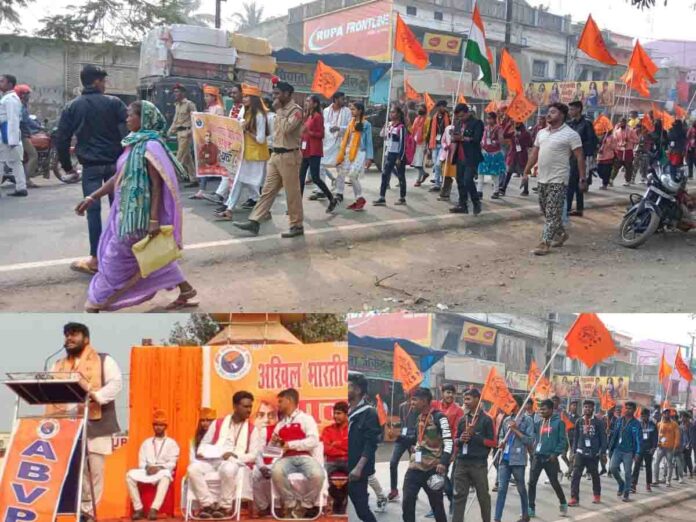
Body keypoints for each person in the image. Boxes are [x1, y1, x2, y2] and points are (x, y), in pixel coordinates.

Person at [74, 101, 196, 312]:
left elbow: (157, 186)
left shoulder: (150, 147)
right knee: (152, 256)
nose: (127, 119)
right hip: (125, 212)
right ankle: (186, 290)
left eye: (131, 115)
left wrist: (153, 221)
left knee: (115, 257)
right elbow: (118, 177)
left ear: (144, 119)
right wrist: (92, 197)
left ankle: (97, 300)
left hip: (139, 217)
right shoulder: (134, 144)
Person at [47, 323, 123, 522]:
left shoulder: (104, 360)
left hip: (96, 423)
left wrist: (96, 396)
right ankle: (76, 509)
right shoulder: (57, 364)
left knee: (94, 472)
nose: (68, 339)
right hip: (67, 425)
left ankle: (88, 511)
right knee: (74, 470)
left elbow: (116, 383)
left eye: (74, 335)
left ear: (86, 339)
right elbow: (49, 389)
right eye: (66, 335)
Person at [57, 65, 127, 274]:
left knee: (93, 211)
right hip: (115, 165)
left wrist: (68, 167)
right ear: (96, 82)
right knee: (119, 210)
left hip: (91, 167)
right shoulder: (114, 103)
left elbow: (61, 138)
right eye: (103, 81)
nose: (105, 85)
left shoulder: (72, 106)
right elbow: (129, 130)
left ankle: (95, 259)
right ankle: (121, 256)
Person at [233, 81, 305, 238]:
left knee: (292, 193)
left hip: (289, 156)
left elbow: (287, 129)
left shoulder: (296, 111)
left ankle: (296, 224)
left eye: (277, 94)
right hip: (276, 155)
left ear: (287, 94)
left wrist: (279, 110)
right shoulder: (278, 111)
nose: (274, 97)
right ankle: (255, 221)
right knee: (267, 190)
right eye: (273, 94)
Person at [523, 103, 585, 256]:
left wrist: (582, 177)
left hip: (559, 179)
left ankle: (544, 243)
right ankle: (562, 234)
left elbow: (579, 156)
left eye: (552, 112)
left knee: (551, 213)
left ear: (562, 115)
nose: (548, 115)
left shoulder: (571, 134)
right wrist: (525, 171)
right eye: (548, 112)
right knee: (547, 211)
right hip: (542, 178)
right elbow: (534, 154)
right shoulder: (541, 133)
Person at [187, 391, 255, 519]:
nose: (249, 410)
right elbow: (204, 444)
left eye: (250, 407)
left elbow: (253, 455)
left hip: (234, 463)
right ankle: (207, 505)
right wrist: (205, 452)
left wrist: (234, 456)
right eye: (245, 406)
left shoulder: (252, 429)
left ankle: (225, 507)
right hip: (213, 460)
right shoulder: (218, 423)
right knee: (192, 469)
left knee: (227, 469)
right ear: (235, 406)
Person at [215, 84, 271, 220]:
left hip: (256, 155)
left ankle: (232, 209)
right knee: (243, 181)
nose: (244, 99)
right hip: (245, 152)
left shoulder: (259, 115)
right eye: (244, 96)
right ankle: (230, 209)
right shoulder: (245, 111)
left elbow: (261, 139)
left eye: (247, 96)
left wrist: (246, 130)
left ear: (254, 99)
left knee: (248, 182)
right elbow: (238, 124)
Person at [271, 388, 324, 518]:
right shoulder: (280, 424)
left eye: (280, 401)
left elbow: (313, 441)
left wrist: (290, 445)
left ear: (289, 401)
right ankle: (291, 504)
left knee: (318, 475)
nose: (278, 405)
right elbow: (272, 449)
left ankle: (305, 505)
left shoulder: (306, 419)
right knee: (275, 472)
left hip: (305, 457)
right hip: (285, 459)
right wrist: (274, 443)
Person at [403, 387, 452, 522]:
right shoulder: (419, 417)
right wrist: (403, 439)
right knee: (407, 501)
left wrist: (443, 462)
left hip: (433, 469)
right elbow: (418, 439)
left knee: (437, 506)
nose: (411, 403)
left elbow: (449, 442)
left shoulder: (440, 418)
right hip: (415, 467)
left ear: (424, 401)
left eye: (414, 400)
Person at [126, 409, 180, 521]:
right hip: (148, 470)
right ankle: (139, 508)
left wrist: (159, 468)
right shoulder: (146, 443)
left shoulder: (172, 443)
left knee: (166, 476)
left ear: (165, 426)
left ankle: (154, 509)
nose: (158, 427)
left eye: (161, 425)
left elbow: (172, 463)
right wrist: (147, 468)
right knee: (129, 475)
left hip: (162, 471)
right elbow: (141, 462)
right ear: (153, 426)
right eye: (156, 425)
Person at [452, 388, 494, 522]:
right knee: (458, 496)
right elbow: (455, 440)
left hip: (478, 464)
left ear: (478, 399)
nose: (465, 402)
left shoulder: (487, 420)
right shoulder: (462, 420)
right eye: (464, 399)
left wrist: (474, 436)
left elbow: (493, 442)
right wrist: (460, 440)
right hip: (461, 463)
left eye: (468, 399)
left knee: (483, 496)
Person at [493, 396, 534, 522]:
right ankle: (497, 518)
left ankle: (525, 515)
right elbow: (501, 436)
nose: (508, 405)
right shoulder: (506, 420)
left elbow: (529, 440)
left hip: (518, 460)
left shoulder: (527, 420)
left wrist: (516, 429)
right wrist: (501, 442)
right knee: (501, 489)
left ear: (518, 405)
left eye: (511, 403)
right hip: (504, 459)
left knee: (521, 488)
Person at [347, 373, 381, 522]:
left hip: (356, 471)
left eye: (347, 386)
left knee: (362, 511)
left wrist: (358, 468)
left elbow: (371, 444)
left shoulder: (369, 413)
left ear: (358, 390)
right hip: (340, 467)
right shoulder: (344, 410)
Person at [527, 399, 568, 518]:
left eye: (544, 409)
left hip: (551, 459)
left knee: (554, 482)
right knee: (531, 483)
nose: (541, 411)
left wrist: (555, 454)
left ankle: (563, 503)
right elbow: (531, 434)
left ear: (551, 409)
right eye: (540, 409)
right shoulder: (539, 423)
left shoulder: (559, 423)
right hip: (538, 457)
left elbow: (563, 442)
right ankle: (531, 508)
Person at [299, 94, 336, 211]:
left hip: (314, 151)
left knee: (315, 178)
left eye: (309, 101)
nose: (306, 103)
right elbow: (303, 133)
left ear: (315, 104)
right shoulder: (308, 116)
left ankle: (331, 198)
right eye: (306, 101)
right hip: (305, 150)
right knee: (300, 178)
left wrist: (308, 131)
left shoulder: (317, 117)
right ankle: (296, 206)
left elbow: (321, 134)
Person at [335, 101, 374, 211]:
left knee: (353, 176)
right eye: (351, 109)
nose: (351, 111)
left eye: (353, 109)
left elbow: (369, 142)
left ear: (360, 110)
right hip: (349, 152)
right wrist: (342, 153)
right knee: (346, 174)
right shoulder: (351, 123)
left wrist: (369, 158)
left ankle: (360, 199)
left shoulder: (366, 124)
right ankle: (357, 199)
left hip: (360, 153)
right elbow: (346, 139)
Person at [448, 103, 484, 215]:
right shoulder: (458, 123)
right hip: (459, 155)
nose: (460, 118)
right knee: (459, 180)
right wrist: (453, 136)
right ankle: (462, 204)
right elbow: (456, 137)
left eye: (462, 116)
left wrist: (462, 138)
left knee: (468, 180)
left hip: (471, 156)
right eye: (458, 117)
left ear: (467, 112)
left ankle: (476, 202)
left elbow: (477, 139)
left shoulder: (477, 123)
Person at [569, 400, 606, 506]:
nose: (587, 409)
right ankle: (574, 498)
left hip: (593, 454)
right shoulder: (579, 421)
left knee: (595, 475)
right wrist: (573, 452)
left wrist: (602, 452)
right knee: (576, 475)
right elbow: (576, 437)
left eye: (589, 407)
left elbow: (603, 438)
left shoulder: (598, 422)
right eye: (585, 407)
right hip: (580, 452)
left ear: (593, 409)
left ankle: (597, 495)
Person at [190, 85, 225, 200]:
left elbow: (220, 123)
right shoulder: (208, 108)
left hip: (216, 141)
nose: (205, 98)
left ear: (214, 97)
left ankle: (221, 191)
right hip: (207, 140)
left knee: (218, 166)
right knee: (205, 163)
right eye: (205, 96)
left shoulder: (218, 108)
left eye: (208, 96)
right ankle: (202, 189)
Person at [566, 101, 597, 217]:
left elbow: (591, 141)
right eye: (569, 110)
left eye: (572, 109)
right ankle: (579, 209)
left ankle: (568, 208)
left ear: (579, 109)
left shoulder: (586, 124)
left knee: (571, 183)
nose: (570, 112)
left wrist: (584, 157)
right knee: (575, 183)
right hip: (570, 156)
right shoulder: (570, 124)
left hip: (579, 158)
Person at [250, 399, 279, 517]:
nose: (267, 419)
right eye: (261, 415)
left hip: (278, 462)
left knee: (278, 472)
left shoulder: (284, 429)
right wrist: (262, 466)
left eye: (271, 415)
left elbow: (282, 452)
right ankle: (264, 507)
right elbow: (259, 451)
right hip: (262, 463)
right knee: (254, 474)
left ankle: (278, 507)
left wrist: (271, 465)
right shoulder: (264, 431)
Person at [608, 401, 641, 502]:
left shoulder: (636, 424)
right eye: (626, 408)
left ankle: (626, 493)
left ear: (634, 410)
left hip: (629, 452)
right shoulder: (619, 421)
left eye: (630, 408)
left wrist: (637, 453)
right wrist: (610, 448)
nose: (627, 410)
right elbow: (615, 435)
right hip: (618, 450)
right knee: (613, 468)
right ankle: (621, 483)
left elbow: (639, 440)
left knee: (627, 473)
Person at [374, 105, 407, 207]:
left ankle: (402, 198)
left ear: (398, 114)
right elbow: (381, 135)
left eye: (393, 112)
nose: (391, 114)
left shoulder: (401, 127)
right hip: (389, 153)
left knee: (401, 176)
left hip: (397, 155)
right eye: (390, 112)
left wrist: (399, 157)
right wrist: (386, 127)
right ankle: (382, 197)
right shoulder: (389, 125)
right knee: (385, 174)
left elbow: (403, 144)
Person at [0, 74, 27, 197]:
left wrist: (11, 140)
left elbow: (12, 120)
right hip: (8, 135)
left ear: (10, 84)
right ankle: (21, 188)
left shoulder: (10, 98)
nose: (0, 83)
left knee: (7, 162)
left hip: (7, 136)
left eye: (2, 81)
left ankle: (21, 188)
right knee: (16, 162)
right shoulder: (7, 97)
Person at [319, 91, 351, 192]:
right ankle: (321, 190)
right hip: (327, 143)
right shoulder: (326, 110)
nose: (344, 101)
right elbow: (323, 125)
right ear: (336, 99)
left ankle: (339, 192)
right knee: (320, 166)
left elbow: (350, 127)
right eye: (342, 99)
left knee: (340, 169)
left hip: (340, 143)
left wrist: (339, 128)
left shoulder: (347, 111)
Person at [388, 392, 418, 502]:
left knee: (415, 466)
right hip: (401, 438)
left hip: (414, 440)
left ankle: (414, 490)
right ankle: (394, 490)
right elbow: (402, 422)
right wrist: (394, 426)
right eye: (404, 390)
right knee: (393, 463)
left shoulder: (418, 407)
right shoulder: (402, 406)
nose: (406, 392)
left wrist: (416, 442)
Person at [322, 401, 350, 514]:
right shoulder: (327, 430)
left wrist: (337, 444)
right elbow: (326, 448)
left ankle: (343, 500)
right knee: (321, 477)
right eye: (334, 413)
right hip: (331, 461)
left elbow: (353, 446)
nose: (335, 416)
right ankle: (339, 499)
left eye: (339, 413)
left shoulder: (352, 428)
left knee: (356, 476)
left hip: (348, 460)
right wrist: (343, 448)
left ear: (346, 414)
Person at [167, 83, 196, 184]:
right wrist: (169, 133)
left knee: (179, 158)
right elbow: (176, 121)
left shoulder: (189, 104)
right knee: (187, 158)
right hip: (179, 133)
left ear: (183, 93)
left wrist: (191, 131)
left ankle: (171, 179)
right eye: (174, 92)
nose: (175, 94)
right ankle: (194, 179)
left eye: (177, 91)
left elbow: (196, 119)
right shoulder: (177, 105)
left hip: (186, 133)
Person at [15, 84, 41, 186]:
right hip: (22, 135)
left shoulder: (21, 105)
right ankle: (26, 179)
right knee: (34, 155)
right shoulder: (20, 106)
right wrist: (39, 127)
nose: (28, 96)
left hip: (21, 133)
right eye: (27, 94)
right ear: (22, 95)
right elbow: (26, 121)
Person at [499, 120, 531, 197]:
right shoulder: (513, 132)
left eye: (517, 123)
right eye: (515, 123)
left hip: (522, 156)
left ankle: (526, 190)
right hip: (513, 155)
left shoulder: (526, 133)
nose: (516, 125)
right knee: (509, 172)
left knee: (524, 172)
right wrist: (509, 124)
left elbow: (530, 143)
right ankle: (503, 188)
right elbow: (504, 135)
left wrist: (519, 137)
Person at [478, 112, 506, 199]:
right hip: (485, 153)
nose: (488, 120)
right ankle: (479, 191)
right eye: (487, 118)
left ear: (494, 119)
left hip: (495, 154)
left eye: (490, 118)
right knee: (480, 172)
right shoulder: (485, 128)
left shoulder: (499, 128)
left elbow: (502, 141)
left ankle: (496, 191)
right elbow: (483, 138)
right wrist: (481, 144)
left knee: (495, 174)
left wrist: (495, 142)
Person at [632, 407, 657, 493]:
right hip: (639, 449)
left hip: (648, 449)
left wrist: (653, 448)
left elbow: (655, 438)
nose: (643, 417)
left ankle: (648, 484)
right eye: (642, 416)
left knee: (648, 467)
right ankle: (633, 485)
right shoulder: (638, 424)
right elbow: (634, 437)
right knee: (636, 467)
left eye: (645, 416)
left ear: (648, 415)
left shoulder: (653, 425)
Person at [427, 100, 450, 193]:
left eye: (445, 106)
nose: (444, 108)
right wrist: (428, 146)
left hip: (444, 145)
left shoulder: (448, 117)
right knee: (436, 164)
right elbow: (429, 131)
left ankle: (437, 183)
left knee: (438, 164)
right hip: (434, 143)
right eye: (442, 106)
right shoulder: (434, 117)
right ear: (439, 107)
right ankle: (439, 181)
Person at [611, 118, 638, 186]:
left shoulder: (631, 131)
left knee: (628, 167)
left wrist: (629, 140)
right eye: (620, 122)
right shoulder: (617, 131)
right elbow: (615, 141)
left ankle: (627, 181)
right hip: (619, 151)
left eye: (623, 122)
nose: (621, 123)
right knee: (616, 166)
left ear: (625, 123)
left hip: (628, 151)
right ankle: (611, 180)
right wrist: (620, 144)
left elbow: (637, 140)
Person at [412, 104, 431, 186]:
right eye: (418, 108)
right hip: (416, 143)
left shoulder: (428, 119)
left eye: (421, 108)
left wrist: (426, 144)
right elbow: (412, 129)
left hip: (423, 143)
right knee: (416, 163)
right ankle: (423, 174)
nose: (419, 109)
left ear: (425, 110)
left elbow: (428, 132)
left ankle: (418, 180)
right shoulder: (416, 119)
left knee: (419, 163)